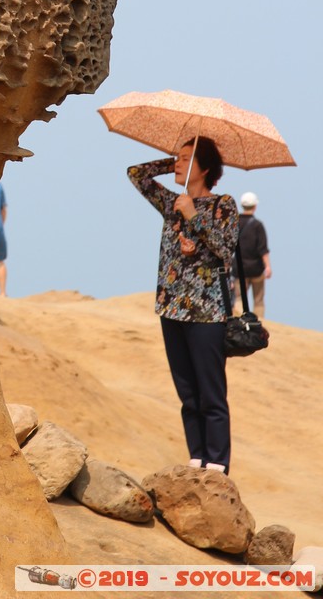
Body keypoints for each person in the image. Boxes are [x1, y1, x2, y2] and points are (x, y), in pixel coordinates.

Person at [128, 137, 239, 473]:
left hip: (208, 314)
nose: (177, 163)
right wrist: (172, 161)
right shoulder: (171, 202)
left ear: (205, 167)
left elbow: (225, 249)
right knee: (188, 393)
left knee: (211, 394)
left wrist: (195, 216)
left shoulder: (224, 205)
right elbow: (136, 174)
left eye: (187, 159)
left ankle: (217, 463)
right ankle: (196, 458)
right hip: (171, 308)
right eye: (178, 158)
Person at [236, 192, 271, 318]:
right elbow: (263, 249)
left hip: (239, 268)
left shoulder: (235, 223)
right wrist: (268, 267)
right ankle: (259, 324)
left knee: (239, 297)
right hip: (256, 269)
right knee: (258, 299)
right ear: (255, 206)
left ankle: (241, 322)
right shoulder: (258, 225)